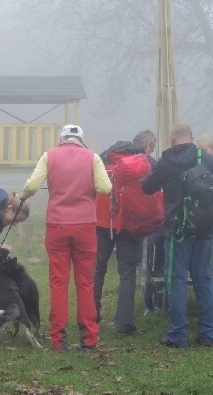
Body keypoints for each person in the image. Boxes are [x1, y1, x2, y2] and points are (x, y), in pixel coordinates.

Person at [21, 124, 112, 350]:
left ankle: (58, 338)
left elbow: (32, 185)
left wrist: (23, 196)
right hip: (85, 226)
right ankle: (89, 338)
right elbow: (105, 187)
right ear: (81, 139)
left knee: (58, 282)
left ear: (62, 139)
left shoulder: (49, 156)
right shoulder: (93, 158)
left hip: (57, 225)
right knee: (85, 283)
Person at [142, 122, 213, 348]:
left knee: (177, 281)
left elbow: (148, 188)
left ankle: (177, 334)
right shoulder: (206, 159)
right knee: (205, 278)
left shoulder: (166, 161)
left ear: (172, 139)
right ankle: (209, 333)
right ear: (191, 137)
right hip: (204, 230)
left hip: (176, 230)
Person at [96, 134, 159, 335]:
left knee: (97, 270)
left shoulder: (101, 162)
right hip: (130, 223)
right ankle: (124, 323)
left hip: (102, 222)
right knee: (127, 273)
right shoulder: (141, 163)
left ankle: (90, 317)